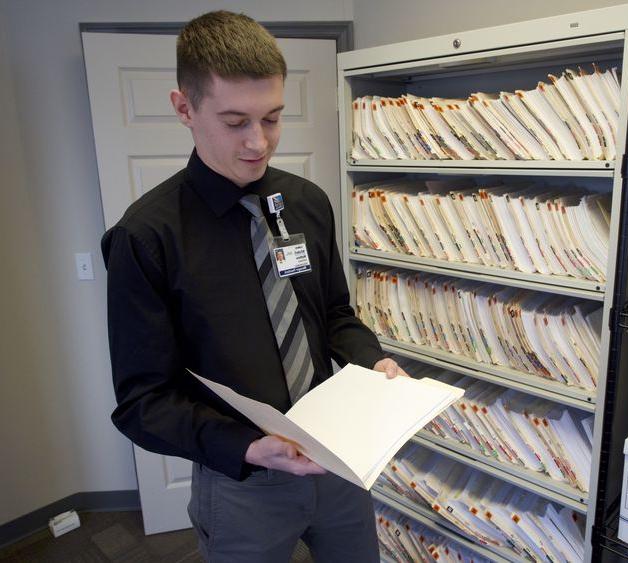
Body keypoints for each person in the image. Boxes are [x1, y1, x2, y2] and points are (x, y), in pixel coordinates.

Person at [101, 10, 405, 562]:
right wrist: (250, 447)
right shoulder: (146, 237)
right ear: (184, 108)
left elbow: (334, 313)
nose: (258, 143)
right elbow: (142, 403)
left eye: (272, 118)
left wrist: (374, 361)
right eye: (235, 121)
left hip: (337, 459)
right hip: (242, 480)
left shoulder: (307, 203)